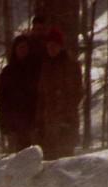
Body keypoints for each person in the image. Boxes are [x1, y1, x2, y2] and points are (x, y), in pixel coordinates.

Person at [35, 27, 82, 159]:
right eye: (49, 46)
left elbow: (77, 93)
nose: (51, 49)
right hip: (48, 123)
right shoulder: (46, 66)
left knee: (65, 161)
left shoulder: (71, 65)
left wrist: (66, 115)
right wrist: (39, 121)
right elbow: (41, 96)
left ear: (60, 46)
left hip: (67, 121)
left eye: (54, 46)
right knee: (49, 161)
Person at [0, 35, 38, 153]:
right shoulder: (8, 72)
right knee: (18, 157)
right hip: (15, 123)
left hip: (33, 121)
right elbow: (2, 100)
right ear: (15, 49)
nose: (23, 50)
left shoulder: (35, 69)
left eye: (25, 47)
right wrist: (4, 124)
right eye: (20, 47)